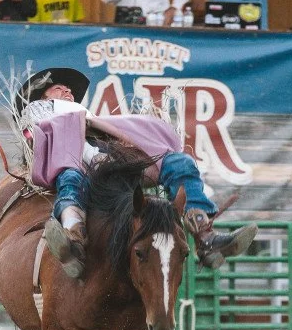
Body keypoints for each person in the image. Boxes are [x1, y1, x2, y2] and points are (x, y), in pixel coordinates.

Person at [16, 67, 257, 279]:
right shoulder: (40, 114)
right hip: (80, 169)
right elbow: (45, 140)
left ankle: (205, 236)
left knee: (179, 162)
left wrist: (116, 145)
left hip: (115, 165)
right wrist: (87, 148)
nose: (67, 91)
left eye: (69, 90)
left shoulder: (94, 119)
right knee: (70, 176)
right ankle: (73, 238)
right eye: (59, 89)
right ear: (42, 97)